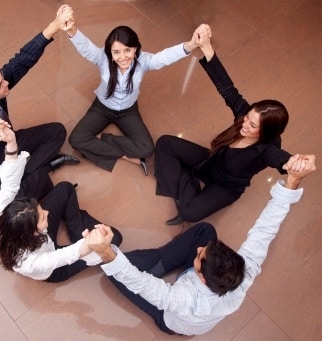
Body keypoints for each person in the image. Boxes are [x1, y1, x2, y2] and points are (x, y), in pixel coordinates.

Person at [85, 154, 316, 335]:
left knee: (115, 271)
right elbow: (266, 229)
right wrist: (292, 181)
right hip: (195, 295)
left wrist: (107, 253)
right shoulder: (246, 270)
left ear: (201, 276)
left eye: (199, 256)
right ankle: (161, 261)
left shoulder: (182, 300)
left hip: (169, 319)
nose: (198, 249)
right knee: (205, 230)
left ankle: (158, 264)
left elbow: (142, 284)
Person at [154, 24, 313, 225]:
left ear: (267, 132)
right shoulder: (244, 116)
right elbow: (228, 89)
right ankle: (188, 179)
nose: (245, 124)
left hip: (226, 186)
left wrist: (294, 164)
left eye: (253, 125)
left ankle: (185, 179)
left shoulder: (267, 149)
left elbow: (281, 160)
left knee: (189, 213)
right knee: (165, 143)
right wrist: (206, 47)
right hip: (211, 161)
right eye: (248, 118)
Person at [0, 4, 79, 200]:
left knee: (58, 131)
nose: (6, 82)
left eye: (2, 78)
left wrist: (55, 26)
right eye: (0, 85)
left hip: (11, 141)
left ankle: (27, 171)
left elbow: (24, 59)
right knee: (17, 195)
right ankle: (42, 167)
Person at [65, 18, 204, 174]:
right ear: (110, 52)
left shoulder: (143, 61)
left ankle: (104, 141)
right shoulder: (102, 58)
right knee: (76, 139)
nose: (122, 57)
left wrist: (191, 44)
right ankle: (127, 157)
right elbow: (85, 47)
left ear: (136, 49)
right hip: (102, 107)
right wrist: (71, 30)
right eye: (116, 52)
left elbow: (164, 57)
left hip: (128, 111)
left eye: (127, 50)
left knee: (147, 149)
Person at [0, 124, 123, 282]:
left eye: (40, 209)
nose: (46, 212)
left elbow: (9, 183)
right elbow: (66, 255)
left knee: (65, 188)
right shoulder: (30, 263)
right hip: (55, 269)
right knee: (115, 239)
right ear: (32, 233)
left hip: (44, 239)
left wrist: (11, 143)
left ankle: (76, 228)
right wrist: (93, 241)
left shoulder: (4, 215)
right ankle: (78, 229)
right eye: (43, 217)